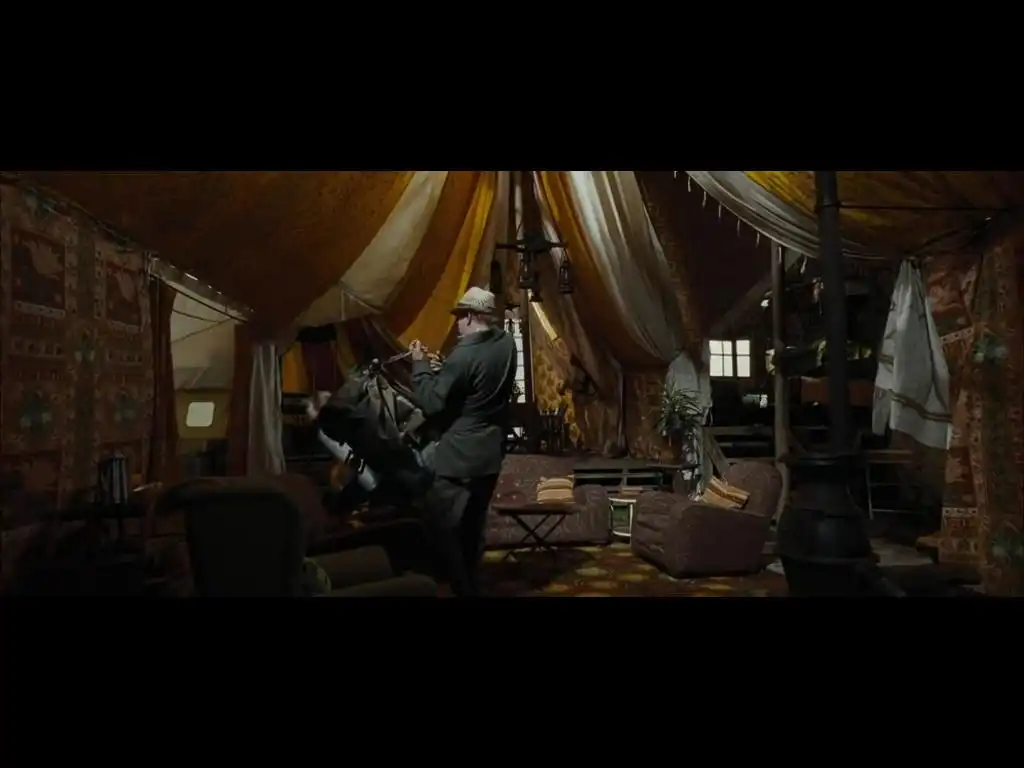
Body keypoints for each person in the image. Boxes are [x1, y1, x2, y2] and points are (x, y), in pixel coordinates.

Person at [409, 287, 516, 596]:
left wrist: (420, 365)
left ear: (470, 316)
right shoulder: (507, 344)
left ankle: (458, 589)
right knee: (472, 529)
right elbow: (476, 381)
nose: (457, 323)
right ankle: (471, 585)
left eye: (458, 317)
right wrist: (446, 369)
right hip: (489, 454)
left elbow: (431, 402)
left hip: (458, 457)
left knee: (442, 530)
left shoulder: (463, 355)